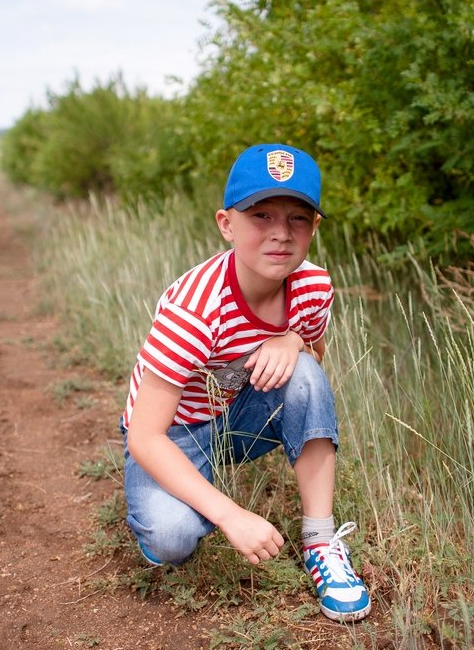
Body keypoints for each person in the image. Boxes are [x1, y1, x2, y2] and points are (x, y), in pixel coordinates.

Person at [120, 143, 372, 623]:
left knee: (306, 374)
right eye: (261, 215)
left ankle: (321, 542)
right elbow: (145, 434)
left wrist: (294, 340)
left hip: (236, 416)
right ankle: (176, 503)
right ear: (226, 224)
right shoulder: (193, 308)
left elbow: (313, 367)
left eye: (298, 218)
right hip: (173, 433)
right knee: (172, 539)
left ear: (314, 228)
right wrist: (232, 515)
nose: (281, 234)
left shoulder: (314, 287)